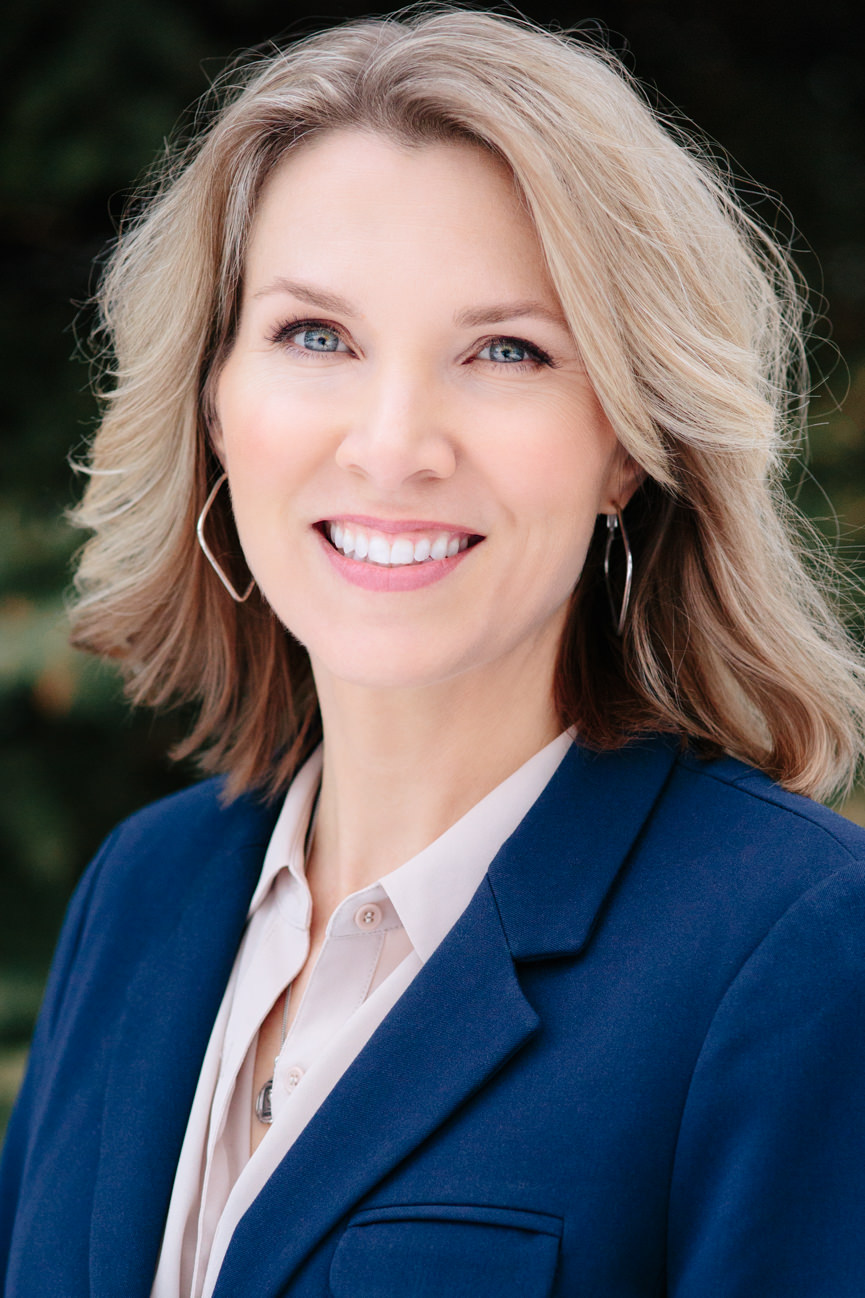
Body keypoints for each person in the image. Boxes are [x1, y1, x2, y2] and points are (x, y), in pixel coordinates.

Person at [2, 8, 865, 1296]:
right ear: (216, 405)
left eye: (504, 351)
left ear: (628, 444)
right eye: (315, 337)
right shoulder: (145, 895)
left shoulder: (794, 947)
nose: (395, 443)